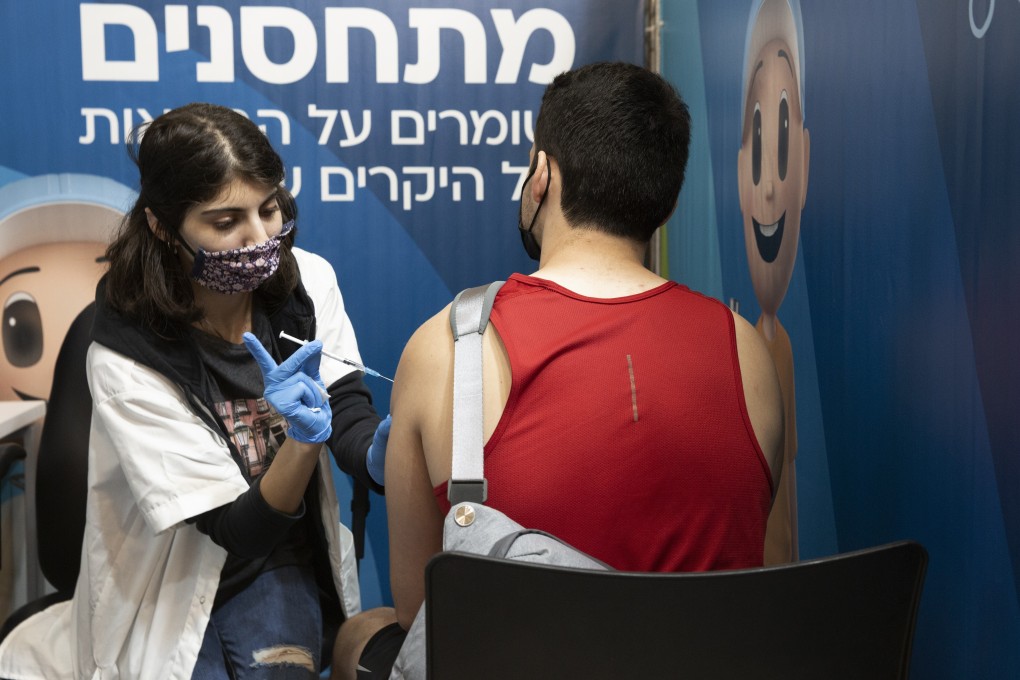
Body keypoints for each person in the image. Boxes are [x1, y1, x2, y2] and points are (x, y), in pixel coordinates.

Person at [332, 61, 785, 679]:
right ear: (667, 199)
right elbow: (772, 575)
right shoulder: (745, 349)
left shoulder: (450, 344)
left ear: (541, 175)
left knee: (362, 633)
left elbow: (423, 612)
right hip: (709, 664)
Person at [0, 103, 388, 679]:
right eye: (226, 221)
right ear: (162, 225)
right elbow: (237, 528)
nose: (261, 238)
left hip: (279, 560)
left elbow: (347, 405)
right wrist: (303, 443)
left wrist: (384, 456)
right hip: (173, 578)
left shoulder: (305, 284)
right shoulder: (127, 351)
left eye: (269, 207)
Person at [737, 0, 809, 564]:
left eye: (782, 146)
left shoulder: (773, 346)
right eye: (759, 146)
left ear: (804, 161)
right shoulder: (749, 342)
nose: (767, 191)